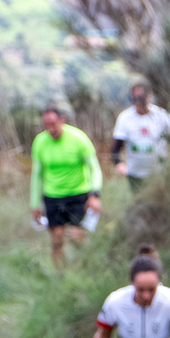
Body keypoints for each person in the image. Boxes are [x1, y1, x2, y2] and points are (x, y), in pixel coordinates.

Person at [30, 103, 103, 266]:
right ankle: (60, 275)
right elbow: (36, 175)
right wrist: (34, 204)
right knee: (57, 240)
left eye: (53, 124)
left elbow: (94, 168)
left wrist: (95, 195)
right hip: (53, 196)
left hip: (78, 195)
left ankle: (84, 268)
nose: (50, 129)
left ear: (62, 120)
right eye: (46, 125)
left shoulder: (78, 138)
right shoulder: (40, 142)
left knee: (77, 238)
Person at [111, 80, 170, 188]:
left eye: (140, 98)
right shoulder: (124, 118)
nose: (137, 103)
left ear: (149, 97)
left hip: (158, 173)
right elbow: (116, 146)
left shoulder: (162, 115)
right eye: (134, 99)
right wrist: (118, 163)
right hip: (135, 175)